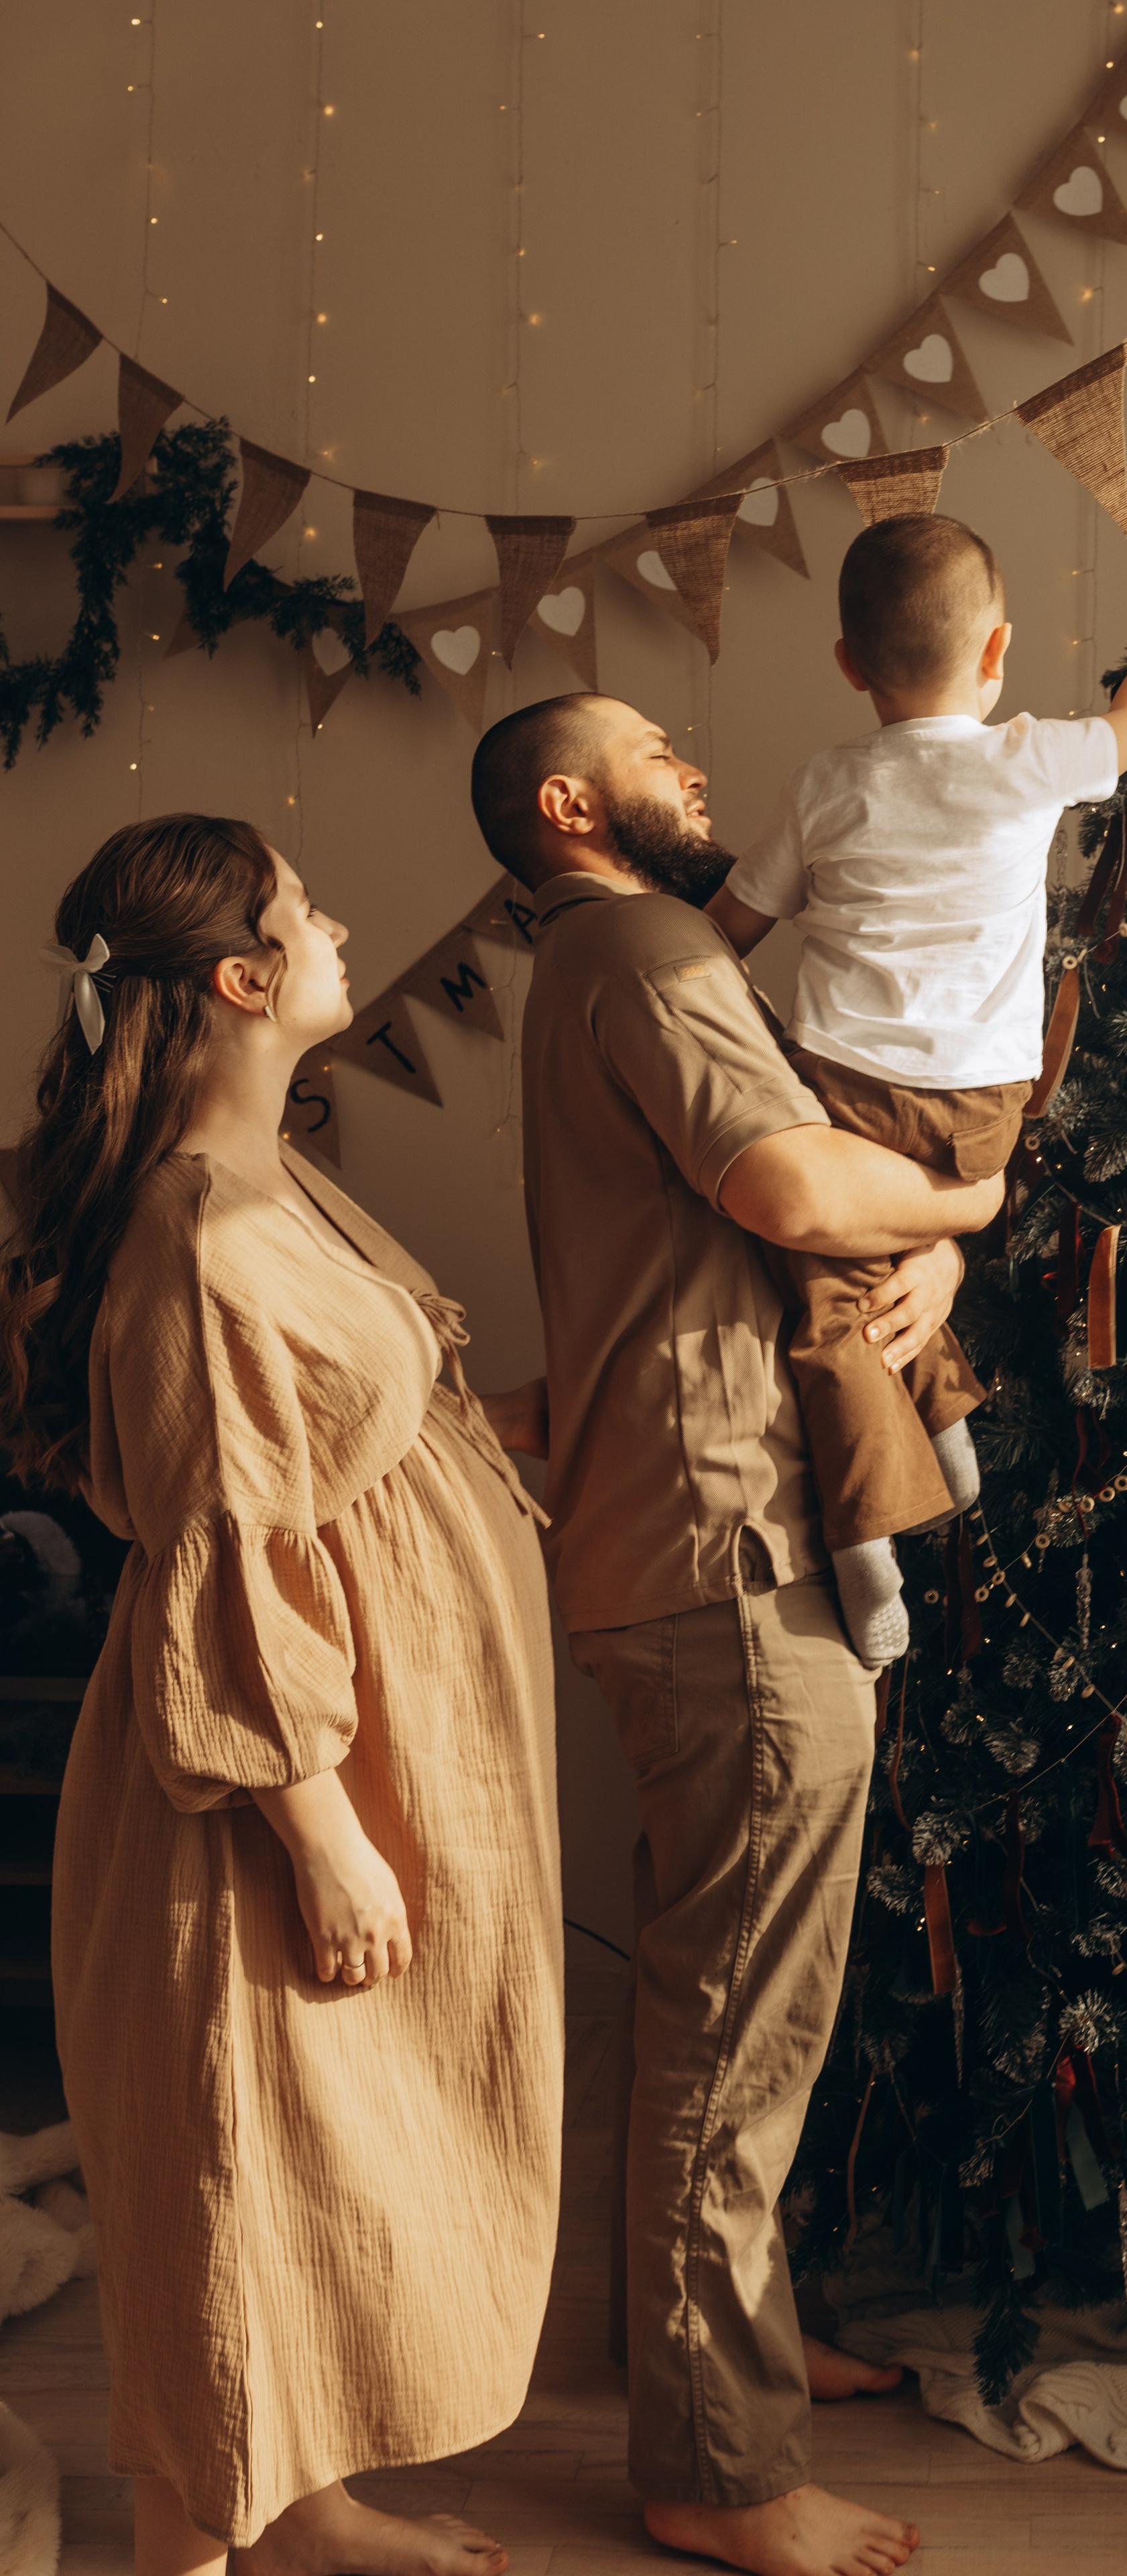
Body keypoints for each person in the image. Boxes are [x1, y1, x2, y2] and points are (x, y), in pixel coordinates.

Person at [469, 694, 1002, 2576]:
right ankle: (713, 2462)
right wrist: (971, 1200)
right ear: (569, 804)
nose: (693, 761)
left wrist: (910, 1246)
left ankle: (722, 2357)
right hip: (725, 1549)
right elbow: (785, 1184)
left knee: (729, 1995)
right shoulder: (643, 941)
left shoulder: (596, 967)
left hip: (677, 1544)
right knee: (737, 2027)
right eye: (650, 747)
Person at [1, 816, 564, 2576]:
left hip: (358, 1747)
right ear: (243, 980)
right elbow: (218, 1561)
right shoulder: (197, 1235)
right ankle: (192, 2541)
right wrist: (321, 1833)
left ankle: (306, 2502)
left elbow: (353, 1438)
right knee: (237, 2174)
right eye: (303, 912)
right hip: (254, 1789)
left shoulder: (270, 1172)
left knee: (321, 2165)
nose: (334, 932)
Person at [706, 515, 1127, 1661]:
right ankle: (922, 1456)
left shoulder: (825, 782)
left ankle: (870, 1530)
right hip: (983, 1111)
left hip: (845, 1084)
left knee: (835, 1298)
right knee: (894, 1262)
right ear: (996, 653)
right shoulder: (1027, 757)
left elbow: (728, 932)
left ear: (848, 665)